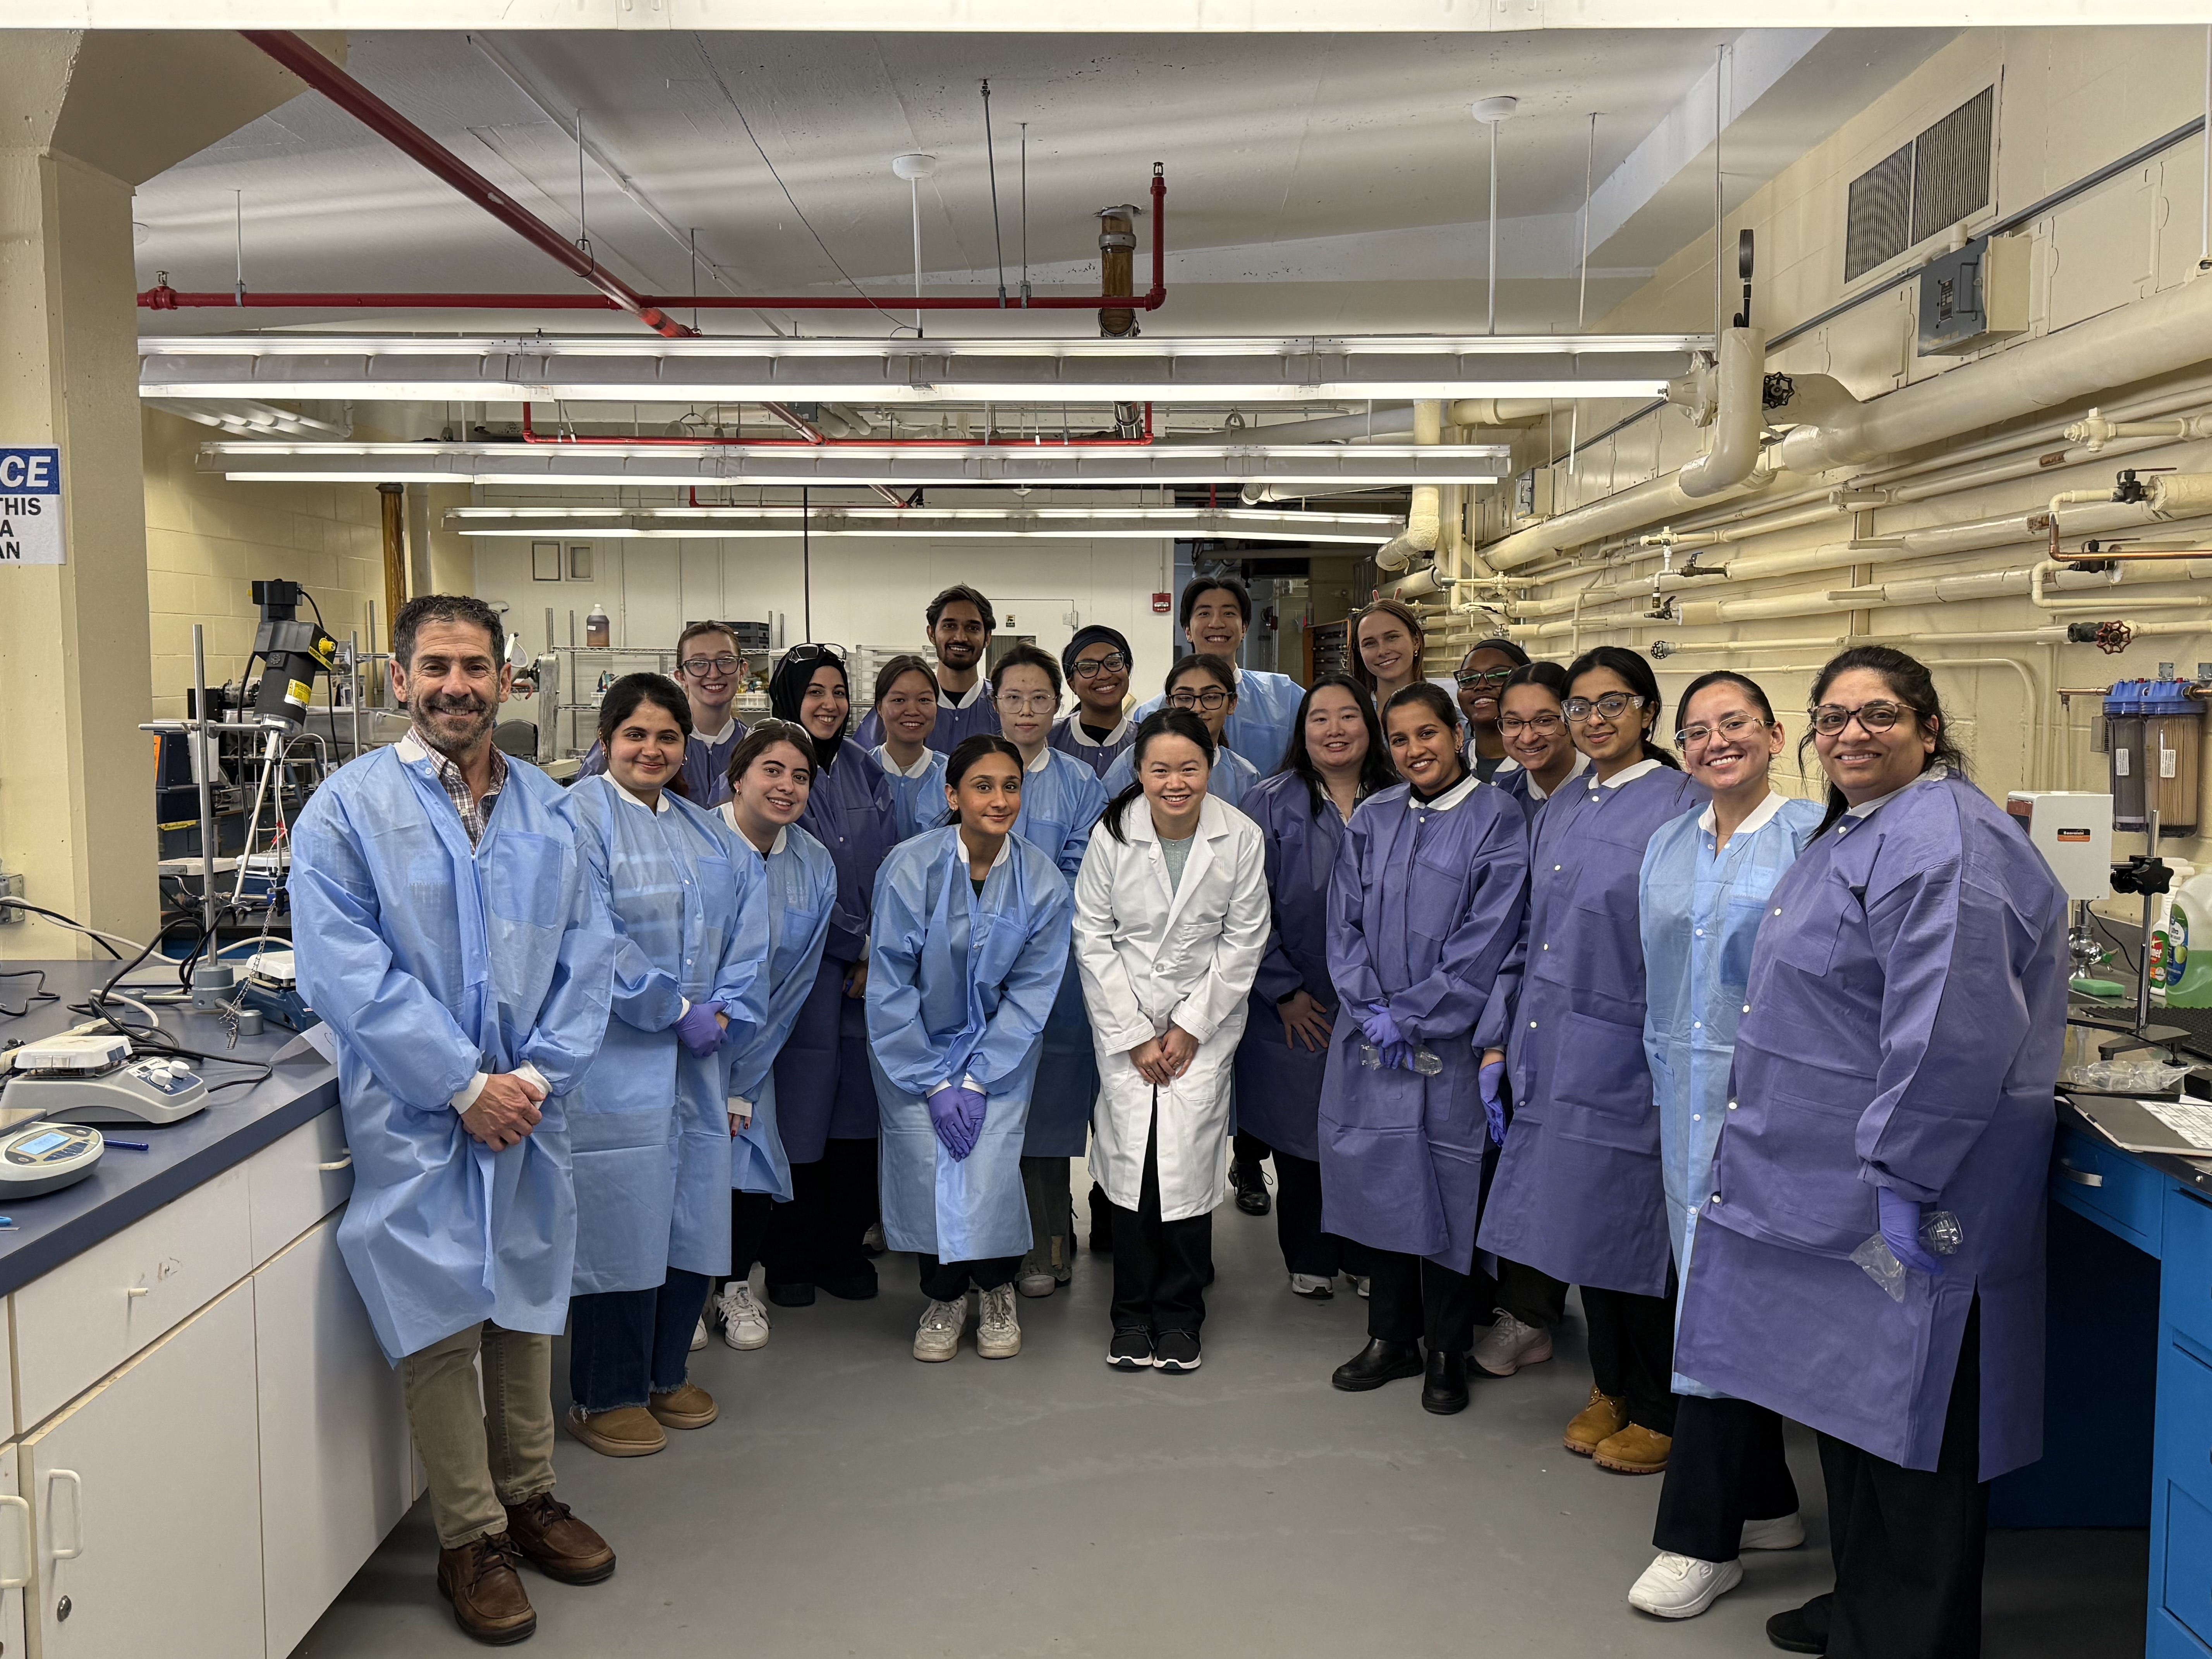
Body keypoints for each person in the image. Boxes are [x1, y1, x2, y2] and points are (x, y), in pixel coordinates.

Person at [1674, 646, 2068, 1659]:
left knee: (1913, 1423)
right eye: (1835, 715)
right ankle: (1863, 1604)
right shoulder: (1866, 825)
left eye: (1880, 713)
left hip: (1917, 1188)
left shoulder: (1949, 847)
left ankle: (1910, 1633)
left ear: (1928, 727)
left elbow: (1951, 1031)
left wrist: (1902, 1175)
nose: (1853, 732)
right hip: (1832, 1178)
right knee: (1848, 1407)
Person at [291, 594, 617, 1645]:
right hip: (417, 1108)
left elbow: (589, 955)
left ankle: (530, 1494)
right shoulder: (347, 810)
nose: (455, 687)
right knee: (438, 1315)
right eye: (435, 666)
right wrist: (461, 1085)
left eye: (475, 667)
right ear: (399, 679)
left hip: (527, 1103)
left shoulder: (552, 810)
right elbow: (347, 971)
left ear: (505, 680)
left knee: (524, 1299)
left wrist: (533, 1078)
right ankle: (469, 1535)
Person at [1476, 646, 1706, 1475]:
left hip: (1631, 1052)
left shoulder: (1684, 803)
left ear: (1648, 710)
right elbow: (1532, 926)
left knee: (1637, 1234)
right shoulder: (1566, 802)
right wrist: (1503, 1037)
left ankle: (1661, 1407)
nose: (1594, 719)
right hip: (1555, 1044)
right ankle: (1612, 1384)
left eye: (1614, 703)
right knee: (1578, 1227)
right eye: (1580, 706)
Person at [1622, 672, 1822, 1619]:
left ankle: (1698, 1539)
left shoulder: (1817, 839)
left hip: (1778, 1111)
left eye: (1733, 725)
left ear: (1777, 736)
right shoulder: (1667, 842)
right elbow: (1659, 984)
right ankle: (1769, 1502)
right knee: (1708, 1288)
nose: (1713, 743)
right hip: (1684, 1105)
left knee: (1729, 1305)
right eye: (1696, 732)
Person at [562, 675, 769, 1458]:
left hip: (699, 1064)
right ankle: (603, 1392)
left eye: (667, 737)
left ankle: (663, 1373)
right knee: (621, 1220)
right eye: (635, 735)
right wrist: (672, 1009)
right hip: (614, 1064)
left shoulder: (705, 831)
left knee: (690, 1212)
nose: (651, 750)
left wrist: (725, 1011)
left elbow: (752, 927)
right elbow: (587, 936)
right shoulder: (574, 820)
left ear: (687, 745)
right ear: (607, 738)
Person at [1321, 684, 1530, 1415]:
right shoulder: (1374, 817)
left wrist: (1409, 1014)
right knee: (1378, 1182)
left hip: (1446, 1045)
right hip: (1371, 1041)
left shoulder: (1498, 819)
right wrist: (1367, 1007)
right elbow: (1341, 923)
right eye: (1401, 738)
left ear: (1457, 734)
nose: (1416, 750)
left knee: (1447, 1194)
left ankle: (1445, 1347)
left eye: (1428, 734)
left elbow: (1488, 939)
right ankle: (1390, 1336)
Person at [867, 735, 1075, 1362]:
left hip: (1001, 1054)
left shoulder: (1040, 879)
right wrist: (933, 1081)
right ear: (952, 794)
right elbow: (890, 981)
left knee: (987, 1168)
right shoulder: (909, 866)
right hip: (913, 1049)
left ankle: (995, 1287)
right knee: (928, 1164)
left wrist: (979, 1077)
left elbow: (1032, 992)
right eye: (982, 785)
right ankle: (943, 1294)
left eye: (1010, 785)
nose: (999, 798)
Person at [1075, 709, 1271, 1373]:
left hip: (1201, 1030)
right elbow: (1092, 936)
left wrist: (1188, 1028)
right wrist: (1134, 1034)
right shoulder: (1113, 834)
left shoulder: (1238, 836)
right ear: (1139, 772)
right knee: (1132, 1174)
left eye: (1189, 767)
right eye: (1159, 768)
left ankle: (1181, 1317)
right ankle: (1130, 1316)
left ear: (1210, 765)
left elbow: (1244, 941)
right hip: (1126, 1027)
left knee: (1185, 1173)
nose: (1175, 781)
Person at [1235, 675, 1399, 1299]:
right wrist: (1282, 990)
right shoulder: (1268, 804)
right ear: (1301, 732)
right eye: (1320, 718)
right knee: (1303, 1136)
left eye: (1349, 716)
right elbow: (1246, 910)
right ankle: (1310, 1253)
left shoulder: (1403, 798)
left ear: (1371, 725)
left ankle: (1364, 1252)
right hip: (1299, 1001)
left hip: (1383, 1006)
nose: (1335, 730)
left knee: (1370, 1132)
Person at [763, 645, 899, 1306]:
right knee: (799, 1114)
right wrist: (857, 942)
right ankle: (789, 1254)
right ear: (789, 696)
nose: (828, 702)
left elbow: (895, 866)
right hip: (805, 976)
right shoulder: (778, 771)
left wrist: (880, 950)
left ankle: (841, 1246)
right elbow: (792, 883)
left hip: (869, 978)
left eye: (839, 690)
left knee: (855, 1116)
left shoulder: (864, 769)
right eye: (814, 690)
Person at [709, 721, 837, 1353]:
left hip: (756, 1049)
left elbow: (792, 985)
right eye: (772, 769)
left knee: (749, 1161)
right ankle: (678, 1293)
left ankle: (734, 1286)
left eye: (800, 774)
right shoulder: (698, 843)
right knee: (677, 1170)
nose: (786, 785)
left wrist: (739, 1081)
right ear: (738, 776)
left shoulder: (813, 864)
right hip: (680, 1042)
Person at [990, 644, 1110, 1298]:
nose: (1028, 709)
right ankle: (985, 1244)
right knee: (986, 1106)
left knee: (1048, 1112)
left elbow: (1082, 868)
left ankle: (1047, 1245)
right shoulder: (969, 769)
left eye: (1040, 698)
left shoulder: (1079, 783)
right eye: (1015, 697)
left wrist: (1023, 929)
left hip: (1054, 967)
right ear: (995, 701)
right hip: (976, 970)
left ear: (1057, 702)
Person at [1132, 575, 1304, 772]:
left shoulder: (1286, 696)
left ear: (1244, 629)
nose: (1217, 623)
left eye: (1229, 614)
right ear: (1188, 630)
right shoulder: (1152, 713)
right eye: (1204, 613)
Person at [577, 620, 751, 805]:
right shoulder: (632, 739)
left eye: (725, 661)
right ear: (681, 676)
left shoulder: (753, 745)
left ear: (742, 670)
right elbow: (586, 801)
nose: (714, 673)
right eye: (699, 664)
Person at [1104, 654, 1262, 811]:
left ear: (1232, 703)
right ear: (1169, 703)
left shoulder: (1245, 777)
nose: (1198, 708)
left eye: (1211, 697)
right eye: (1185, 698)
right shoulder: (1132, 761)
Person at [854, 584, 1000, 752]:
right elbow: (858, 767)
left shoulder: (1002, 705)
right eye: (949, 626)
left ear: (988, 638)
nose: (961, 637)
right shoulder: (895, 707)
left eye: (973, 628)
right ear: (931, 634)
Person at [1491, 661, 1589, 816]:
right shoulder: (1503, 797)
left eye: (1544, 721)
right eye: (1514, 723)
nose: (1527, 738)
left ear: (1571, 718)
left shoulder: (1605, 787)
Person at [871, 653, 950, 841]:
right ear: (880, 708)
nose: (913, 711)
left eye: (924, 700)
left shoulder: (951, 775)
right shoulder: (862, 773)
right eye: (899, 700)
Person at [1050, 624, 1138, 777]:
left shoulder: (1147, 740)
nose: (1104, 675)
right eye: (1088, 668)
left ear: (1127, 669)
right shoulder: (1049, 738)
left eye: (1113, 663)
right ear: (1072, 684)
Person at [1352, 598, 1455, 709]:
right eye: (1370, 643)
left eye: (1392, 637)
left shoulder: (1450, 716)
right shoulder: (1350, 715)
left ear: (1416, 641)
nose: (1382, 651)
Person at [1455, 638, 1530, 782]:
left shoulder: (1546, 762)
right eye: (1468, 679)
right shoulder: (1448, 762)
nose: (1481, 686)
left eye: (1498, 676)